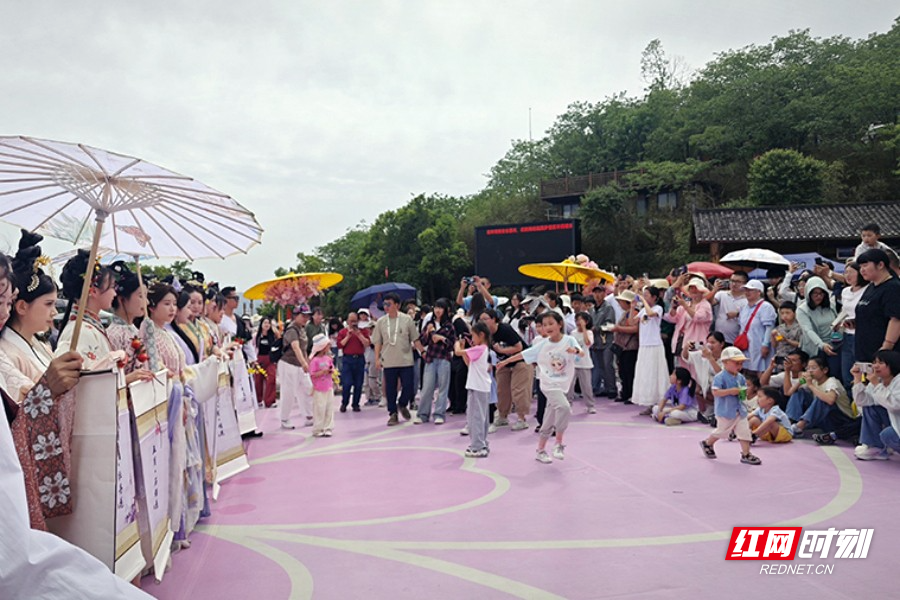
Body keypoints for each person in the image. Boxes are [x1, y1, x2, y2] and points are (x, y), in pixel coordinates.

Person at [498, 312, 584, 464]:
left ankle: (541, 450)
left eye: (551, 323)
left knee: (549, 418)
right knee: (564, 407)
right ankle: (558, 443)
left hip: (563, 384)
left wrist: (575, 351)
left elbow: (581, 352)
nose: (547, 327)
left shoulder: (569, 340)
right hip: (548, 384)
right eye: (544, 325)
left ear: (560, 324)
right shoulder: (542, 345)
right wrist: (504, 362)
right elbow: (523, 354)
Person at [699, 347, 762, 465]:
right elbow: (715, 392)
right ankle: (708, 443)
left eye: (741, 363)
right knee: (722, 431)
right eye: (736, 363)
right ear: (725, 362)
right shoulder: (720, 377)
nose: (739, 366)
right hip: (725, 411)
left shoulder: (741, 377)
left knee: (744, 431)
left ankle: (746, 454)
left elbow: (743, 393)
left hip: (740, 410)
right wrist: (730, 391)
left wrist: (743, 393)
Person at [479, 309, 531, 431]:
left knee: (518, 389)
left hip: (521, 360)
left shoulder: (505, 329)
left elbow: (519, 347)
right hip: (502, 363)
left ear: (494, 319)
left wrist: (501, 351)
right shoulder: (486, 334)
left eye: (485, 319)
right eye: (480, 319)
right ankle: (502, 416)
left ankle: (521, 418)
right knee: (501, 390)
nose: (482, 322)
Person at [372, 292, 418, 426]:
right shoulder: (381, 322)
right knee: (390, 389)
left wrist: (423, 352)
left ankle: (403, 404)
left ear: (397, 305)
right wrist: (377, 359)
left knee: (409, 386)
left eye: (389, 304)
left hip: (406, 359)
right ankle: (393, 413)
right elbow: (377, 342)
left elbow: (415, 338)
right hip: (389, 360)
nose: (386, 307)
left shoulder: (407, 319)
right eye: (384, 304)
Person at [787, 356, 857, 440]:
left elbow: (830, 400)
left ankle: (799, 427)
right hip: (824, 420)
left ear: (825, 370)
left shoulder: (832, 381)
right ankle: (790, 423)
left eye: (813, 368)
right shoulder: (813, 381)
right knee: (799, 392)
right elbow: (789, 392)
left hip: (840, 421)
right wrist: (800, 381)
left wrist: (810, 385)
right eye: (808, 368)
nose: (810, 371)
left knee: (823, 398)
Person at [850, 351, 900, 460]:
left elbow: (895, 405)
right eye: (874, 362)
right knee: (870, 407)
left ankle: (884, 446)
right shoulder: (878, 381)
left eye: (881, 363)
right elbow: (862, 401)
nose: (875, 366)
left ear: (892, 364)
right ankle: (876, 446)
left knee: (888, 434)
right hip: (893, 422)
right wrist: (857, 379)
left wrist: (876, 384)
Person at [855, 249, 900, 363]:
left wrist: (886, 347)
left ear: (880, 265)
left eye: (865, 265)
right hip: (864, 351)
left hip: (882, 355)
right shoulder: (871, 287)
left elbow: (895, 319)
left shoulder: (893, 287)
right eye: (860, 267)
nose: (862, 270)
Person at [455, 321, 492, 458]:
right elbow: (469, 363)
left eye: (473, 336)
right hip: (478, 386)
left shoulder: (480, 348)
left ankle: (477, 446)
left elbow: (457, 352)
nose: (472, 339)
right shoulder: (481, 349)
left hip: (478, 387)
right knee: (479, 416)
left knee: (476, 417)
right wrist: (465, 350)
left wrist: (458, 343)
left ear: (481, 335)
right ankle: (482, 443)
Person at [415, 298, 455, 424]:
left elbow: (452, 344)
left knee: (443, 388)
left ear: (445, 310)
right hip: (431, 358)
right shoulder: (429, 324)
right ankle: (423, 414)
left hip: (444, 359)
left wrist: (442, 339)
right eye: (436, 308)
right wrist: (427, 333)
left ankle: (439, 414)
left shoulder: (449, 326)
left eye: (440, 308)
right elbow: (422, 341)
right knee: (427, 387)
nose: (438, 310)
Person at [631, 286, 669, 414]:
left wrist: (643, 301)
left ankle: (659, 403)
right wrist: (632, 307)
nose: (644, 297)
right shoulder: (643, 310)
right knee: (646, 375)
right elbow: (632, 322)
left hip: (654, 345)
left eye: (647, 295)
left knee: (655, 374)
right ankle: (649, 403)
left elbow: (651, 314)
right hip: (644, 346)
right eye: (644, 295)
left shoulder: (658, 308)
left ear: (654, 297)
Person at [795, 276, 840, 377]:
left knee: (834, 374)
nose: (818, 296)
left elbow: (836, 322)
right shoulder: (802, 310)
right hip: (815, 348)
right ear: (808, 294)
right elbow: (808, 330)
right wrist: (821, 345)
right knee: (815, 377)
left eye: (821, 293)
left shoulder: (831, 306)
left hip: (833, 345)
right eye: (815, 293)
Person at [279, 306, 312, 429]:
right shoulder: (292, 330)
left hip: (299, 365)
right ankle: (284, 418)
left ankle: (309, 416)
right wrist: (304, 363)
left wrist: (306, 361)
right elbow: (296, 347)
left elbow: (303, 348)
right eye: (303, 315)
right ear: (295, 315)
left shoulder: (302, 329)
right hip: (289, 364)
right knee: (289, 392)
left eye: (307, 316)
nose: (306, 318)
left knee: (307, 389)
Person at [737, 280, 777, 376]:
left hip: (759, 344)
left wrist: (765, 344)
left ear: (759, 292)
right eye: (746, 290)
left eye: (750, 290)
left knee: (761, 371)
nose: (747, 292)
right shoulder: (744, 307)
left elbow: (769, 327)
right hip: (747, 345)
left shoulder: (766, 307)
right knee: (747, 370)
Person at [837, 261, 865, 389]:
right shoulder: (845, 291)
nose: (847, 275)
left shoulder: (868, 289)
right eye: (845, 272)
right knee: (847, 374)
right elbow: (845, 311)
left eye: (851, 272)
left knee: (861, 374)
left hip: (861, 335)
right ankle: (849, 405)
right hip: (847, 335)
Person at [336, 311, 369, 413]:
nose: (353, 323)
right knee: (347, 383)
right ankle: (344, 403)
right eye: (351, 321)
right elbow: (340, 345)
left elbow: (367, 344)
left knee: (358, 384)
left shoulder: (363, 331)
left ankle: (356, 404)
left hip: (359, 358)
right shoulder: (342, 332)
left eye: (355, 321)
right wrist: (348, 336)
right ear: (347, 321)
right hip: (347, 359)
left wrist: (359, 334)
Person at [611, 290, 638, 404]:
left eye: (621, 301)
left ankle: (630, 394)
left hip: (630, 346)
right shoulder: (625, 313)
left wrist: (618, 329)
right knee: (623, 371)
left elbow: (634, 328)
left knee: (629, 371)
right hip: (624, 346)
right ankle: (625, 392)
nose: (619, 304)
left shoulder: (634, 313)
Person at [589, 284, 617, 399]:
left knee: (607, 364)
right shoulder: (591, 309)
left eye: (600, 292)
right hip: (595, 341)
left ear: (604, 294)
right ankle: (604, 387)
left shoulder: (608, 308)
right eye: (595, 292)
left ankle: (612, 388)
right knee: (599, 365)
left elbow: (610, 324)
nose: (597, 295)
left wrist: (598, 328)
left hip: (606, 340)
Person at [308, 333, 335, 437]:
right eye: (327, 345)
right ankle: (318, 428)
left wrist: (330, 371)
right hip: (319, 388)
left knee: (329, 408)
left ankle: (328, 427)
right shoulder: (314, 361)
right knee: (319, 408)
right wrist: (322, 372)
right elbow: (312, 374)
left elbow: (331, 368)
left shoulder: (328, 358)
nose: (329, 347)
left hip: (328, 387)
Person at [569, 311, 596, 413]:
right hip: (573, 363)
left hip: (585, 363)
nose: (578, 322)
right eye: (577, 320)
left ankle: (590, 405)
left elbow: (587, 343)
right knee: (570, 386)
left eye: (581, 320)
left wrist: (584, 328)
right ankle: (569, 405)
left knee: (586, 386)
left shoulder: (589, 332)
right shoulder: (572, 333)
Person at [253, 317, 280, 408]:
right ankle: (258, 400)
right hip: (259, 359)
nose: (266, 325)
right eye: (265, 322)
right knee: (258, 380)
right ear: (261, 324)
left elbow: (280, 340)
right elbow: (252, 347)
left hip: (270, 359)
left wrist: (275, 329)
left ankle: (270, 401)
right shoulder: (256, 336)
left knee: (271, 379)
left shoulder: (272, 335)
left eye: (268, 323)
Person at [358, 309, 382, 406]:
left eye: (372, 328)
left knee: (373, 380)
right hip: (366, 358)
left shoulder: (379, 338)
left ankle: (377, 396)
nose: (370, 330)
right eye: (369, 328)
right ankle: (370, 397)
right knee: (366, 382)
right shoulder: (367, 337)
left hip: (374, 359)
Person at [770, 301, 802, 372]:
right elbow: (775, 345)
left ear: (794, 313)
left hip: (793, 360)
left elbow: (800, 344)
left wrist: (787, 340)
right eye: (782, 313)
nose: (784, 315)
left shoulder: (799, 328)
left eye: (787, 313)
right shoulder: (779, 328)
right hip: (780, 358)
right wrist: (772, 336)